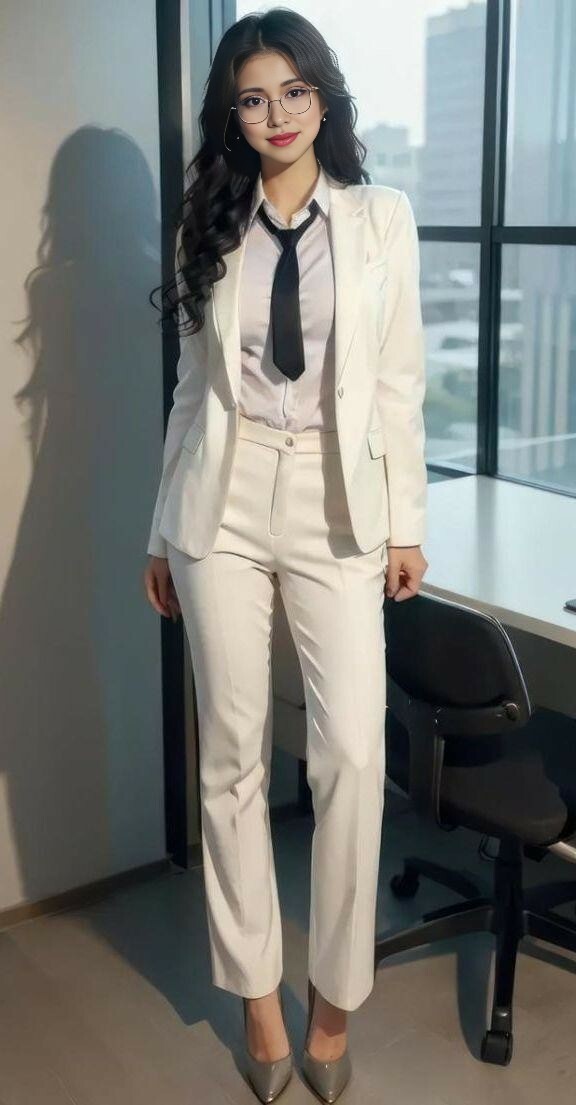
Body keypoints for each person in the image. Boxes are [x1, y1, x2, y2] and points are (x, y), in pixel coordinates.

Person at [144, 8, 428, 1102]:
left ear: (323, 98)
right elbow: (190, 391)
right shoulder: (210, 223)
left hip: (335, 494)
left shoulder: (380, 218)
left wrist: (406, 523)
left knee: (350, 750)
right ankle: (259, 1003)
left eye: (294, 92)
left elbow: (397, 380)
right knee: (230, 753)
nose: (276, 115)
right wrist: (159, 529)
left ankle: (334, 1003)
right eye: (254, 98)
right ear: (233, 113)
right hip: (219, 499)